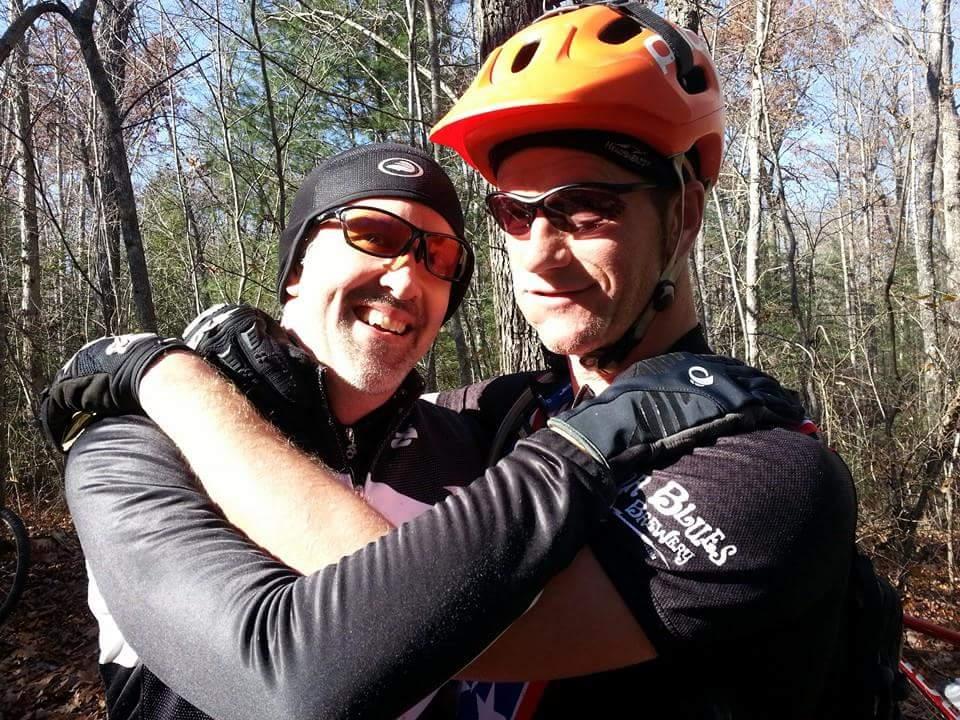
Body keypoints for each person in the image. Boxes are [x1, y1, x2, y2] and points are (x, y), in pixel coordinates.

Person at [42, 4, 855, 719]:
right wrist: (184, 374)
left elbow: (359, 639)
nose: (538, 258)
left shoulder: (764, 472)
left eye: (584, 207)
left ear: (683, 212)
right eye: (514, 213)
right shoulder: (502, 414)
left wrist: (166, 377)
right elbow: (351, 417)